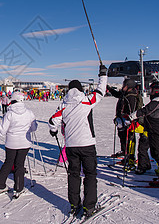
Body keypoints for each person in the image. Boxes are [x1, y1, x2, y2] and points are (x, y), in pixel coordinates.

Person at [48, 65, 107, 217]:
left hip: (72, 146)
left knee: (73, 175)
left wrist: (53, 131)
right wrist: (103, 75)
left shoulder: (64, 105)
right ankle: (89, 206)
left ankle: (74, 204)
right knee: (90, 175)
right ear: (81, 89)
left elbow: (53, 120)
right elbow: (101, 91)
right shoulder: (86, 101)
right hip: (87, 144)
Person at [0, 92, 38, 198]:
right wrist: (27, 130)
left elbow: (2, 131)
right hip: (25, 142)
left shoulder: (9, 113)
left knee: (8, 163)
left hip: (11, 143)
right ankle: (18, 188)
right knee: (19, 164)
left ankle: (0, 185)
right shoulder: (29, 113)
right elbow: (34, 128)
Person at [107, 79, 149, 173]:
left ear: (129, 86)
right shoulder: (125, 94)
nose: (123, 87)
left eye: (124, 85)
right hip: (123, 121)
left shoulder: (131, 97)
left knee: (129, 141)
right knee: (124, 139)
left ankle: (130, 160)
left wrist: (126, 119)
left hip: (130, 123)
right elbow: (118, 95)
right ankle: (126, 156)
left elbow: (132, 111)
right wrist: (109, 89)